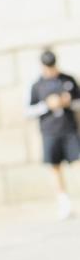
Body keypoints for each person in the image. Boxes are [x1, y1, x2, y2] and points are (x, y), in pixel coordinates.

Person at [28, 49, 79, 220]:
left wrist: (68, 101)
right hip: (50, 131)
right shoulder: (36, 85)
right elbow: (28, 110)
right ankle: (64, 203)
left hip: (69, 129)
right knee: (55, 167)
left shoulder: (67, 80)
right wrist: (46, 105)